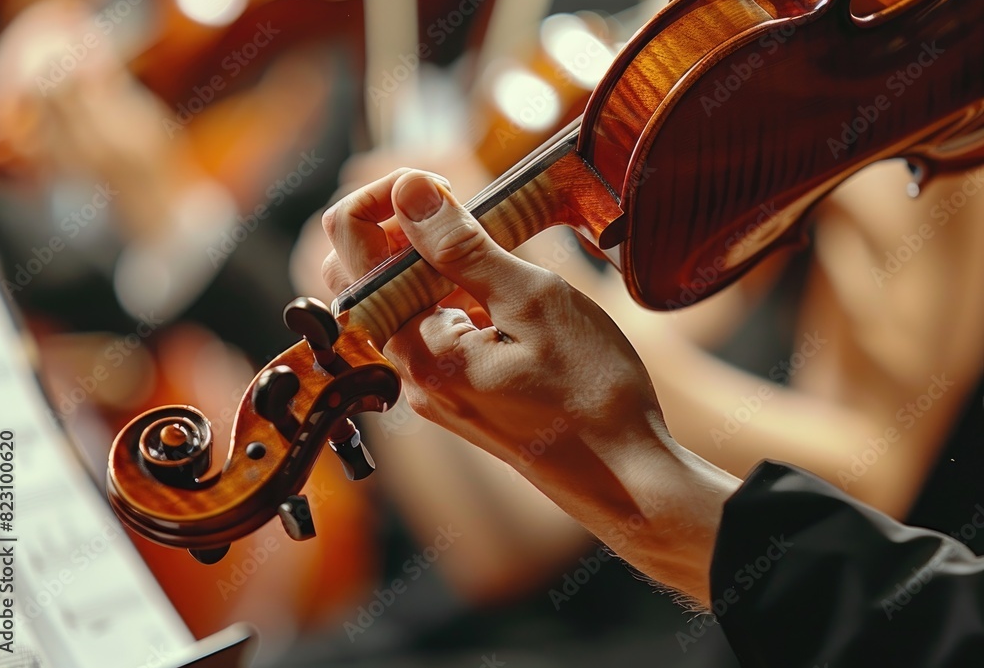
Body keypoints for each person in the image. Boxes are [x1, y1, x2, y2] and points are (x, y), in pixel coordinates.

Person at [319, 168, 984, 666]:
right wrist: (403, 357)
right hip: (629, 589)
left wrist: (546, 279)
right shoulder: (745, 169)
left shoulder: (913, 170)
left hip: (754, 626)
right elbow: (507, 548)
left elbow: (871, 476)